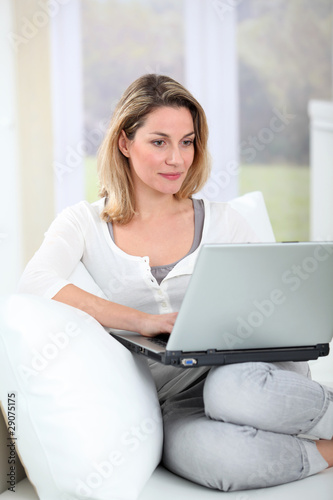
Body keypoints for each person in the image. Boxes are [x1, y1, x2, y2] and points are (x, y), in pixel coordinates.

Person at [18, 74, 333, 491]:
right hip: (175, 398)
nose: (177, 159)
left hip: (248, 373)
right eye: (159, 141)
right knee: (224, 463)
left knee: (232, 392)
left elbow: (275, 307)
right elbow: (36, 281)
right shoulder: (84, 223)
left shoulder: (223, 221)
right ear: (125, 143)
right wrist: (141, 321)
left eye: (187, 142)